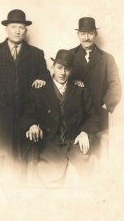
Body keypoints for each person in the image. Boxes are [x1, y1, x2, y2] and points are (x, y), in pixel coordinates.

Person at [0, 9, 51, 167]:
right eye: (14, 26)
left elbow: (45, 73)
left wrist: (41, 78)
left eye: (21, 27)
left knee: (21, 157)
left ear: (26, 30)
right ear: (6, 28)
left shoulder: (36, 54)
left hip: (23, 113)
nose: (17, 31)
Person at [21, 50, 99, 187]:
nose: (63, 73)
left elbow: (92, 116)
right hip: (49, 144)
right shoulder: (38, 90)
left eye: (67, 69)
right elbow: (27, 114)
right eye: (59, 68)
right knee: (50, 178)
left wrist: (85, 132)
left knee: (88, 176)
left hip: (74, 142)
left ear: (72, 71)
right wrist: (32, 125)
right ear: (53, 67)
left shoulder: (80, 90)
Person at [69, 17, 121, 154]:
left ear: (96, 34)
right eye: (83, 33)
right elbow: (59, 79)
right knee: (76, 153)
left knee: (99, 153)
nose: (86, 38)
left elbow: (115, 85)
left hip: (99, 113)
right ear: (78, 34)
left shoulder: (107, 58)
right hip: (75, 113)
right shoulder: (69, 55)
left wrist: (105, 104)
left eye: (90, 33)